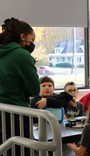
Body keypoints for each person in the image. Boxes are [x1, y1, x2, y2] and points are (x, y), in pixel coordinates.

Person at [0, 17, 40, 155]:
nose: (32, 44)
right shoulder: (22, 56)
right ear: (22, 36)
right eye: (32, 40)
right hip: (17, 114)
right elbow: (35, 90)